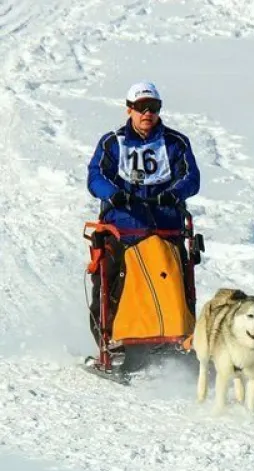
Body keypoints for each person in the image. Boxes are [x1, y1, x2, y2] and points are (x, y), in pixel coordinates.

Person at [86, 81, 201, 352]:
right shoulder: (112, 143)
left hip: (165, 226)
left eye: (153, 107)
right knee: (112, 278)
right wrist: (113, 194)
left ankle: (182, 335)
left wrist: (174, 194)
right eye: (140, 107)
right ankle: (110, 338)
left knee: (175, 278)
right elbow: (95, 176)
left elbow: (191, 177)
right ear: (129, 110)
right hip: (123, 228)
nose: (147, 113)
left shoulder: (176, 143)